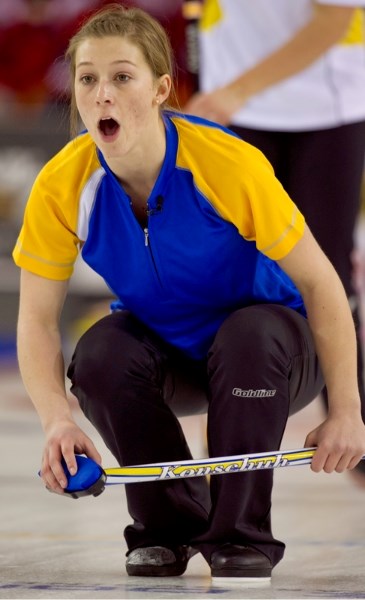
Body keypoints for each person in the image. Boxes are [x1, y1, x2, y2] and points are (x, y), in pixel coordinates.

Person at [12, 2, 365, 584]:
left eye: (123, 77)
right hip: (175, 355)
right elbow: (36, 320)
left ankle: (240, 535)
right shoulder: (62, 185)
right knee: (100, 354)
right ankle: (167, 525)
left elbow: (323, 284)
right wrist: (56, 421)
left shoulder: (227, 163)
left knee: (248, 334)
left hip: (273, 352)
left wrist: (348, 409)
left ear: (161, 90)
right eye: (88, 78)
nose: (103, 94)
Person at [184, 0, 365, 481]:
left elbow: (334, 21)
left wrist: (236, 90)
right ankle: (224, 459)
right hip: (232, 111)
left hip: (320, 113)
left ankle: (353, 424)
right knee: (227, 278)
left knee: (326, 275)